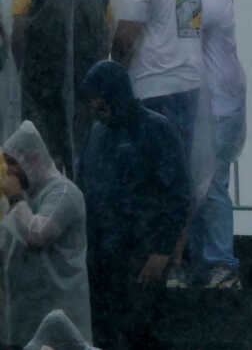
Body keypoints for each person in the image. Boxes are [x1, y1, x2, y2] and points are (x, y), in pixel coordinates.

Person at [75, 62, 185, 350]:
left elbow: (177, 195)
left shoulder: (156, 129)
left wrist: (163, 250)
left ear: (115, 94)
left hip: (141, 256)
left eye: (98, 97)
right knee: (105, 335)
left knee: (141, 334)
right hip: (101, 257)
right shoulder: (97, 133)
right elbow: (85, 186)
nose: (94, 105)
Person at [102, 0, 206, 206]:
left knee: (147, 178)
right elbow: (188, 29)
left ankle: (149, 247)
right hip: (188, 85)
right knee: (178, 176)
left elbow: (125, 38)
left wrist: (114, 80)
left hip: (151, 89)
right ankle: (175, 249)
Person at [11, 0, 109, 189]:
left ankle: (47, 214)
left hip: (43, 79)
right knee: (85, 150)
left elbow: (19, 28)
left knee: (42, 153)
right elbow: (108, 29)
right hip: (88, 80)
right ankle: (84, 215)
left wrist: (24, 73)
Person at [162, 0, 240, 292]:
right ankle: (201, 260)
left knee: (212, 184)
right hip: (204, 105)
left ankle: (222, 263)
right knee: (195, 184)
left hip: (218, 107)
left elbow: (181, 24)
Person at [2, 122, 90, 348]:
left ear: (33, 159)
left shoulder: (63, 193)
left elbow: (37, 235)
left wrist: (15, 199)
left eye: (13, 163)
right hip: (25, 316)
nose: (9, 171)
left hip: (61, 313)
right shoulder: (26, 195)